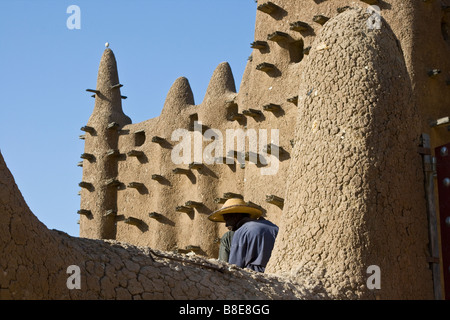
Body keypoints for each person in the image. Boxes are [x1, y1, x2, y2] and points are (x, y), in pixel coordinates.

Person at [208, 198, 278, 272]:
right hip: (277, 271)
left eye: (227, 219)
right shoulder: (272, 226)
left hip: (256, 275)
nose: (226, 224)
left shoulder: (241, 232)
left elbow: (235, 266)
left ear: (235, 216)